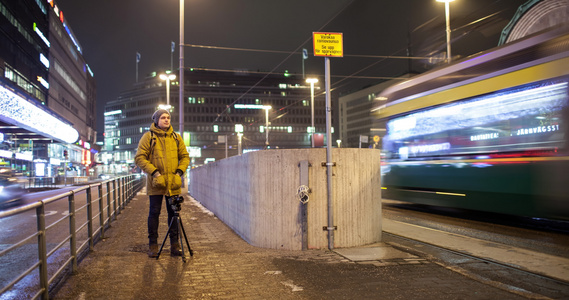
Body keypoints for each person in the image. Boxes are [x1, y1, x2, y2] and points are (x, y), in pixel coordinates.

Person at [135, 109, 190, 258]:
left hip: (173, 183)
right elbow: (140, 158)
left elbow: (185, 157)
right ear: (156, 120)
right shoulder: (149, 137)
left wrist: (179, 172)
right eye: (163, 118)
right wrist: (155, 172)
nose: (166, 120)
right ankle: (153, 244)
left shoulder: (176, 138)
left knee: (174, 213)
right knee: (154, 213)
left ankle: (175, 245)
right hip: (156, 183)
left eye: (168, 117)